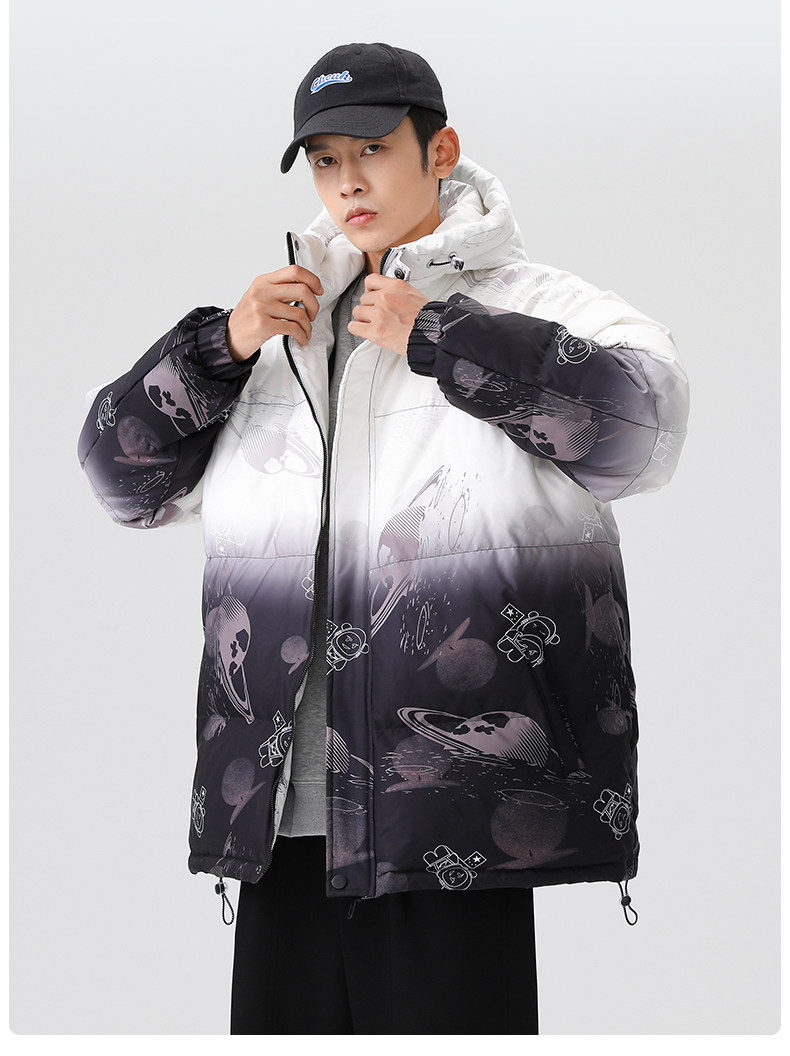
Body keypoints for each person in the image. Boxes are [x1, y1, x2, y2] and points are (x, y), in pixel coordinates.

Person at [77, 41, 689, 1034]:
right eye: (324, 160)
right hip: (280, 814)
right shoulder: (276, 333)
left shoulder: (535, 304)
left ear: (438, 150)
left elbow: (642, 433)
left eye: (372, 149)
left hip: (453, 816)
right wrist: (217, 347)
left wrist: (442, 336)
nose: (348, 181)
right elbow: (119, 479)